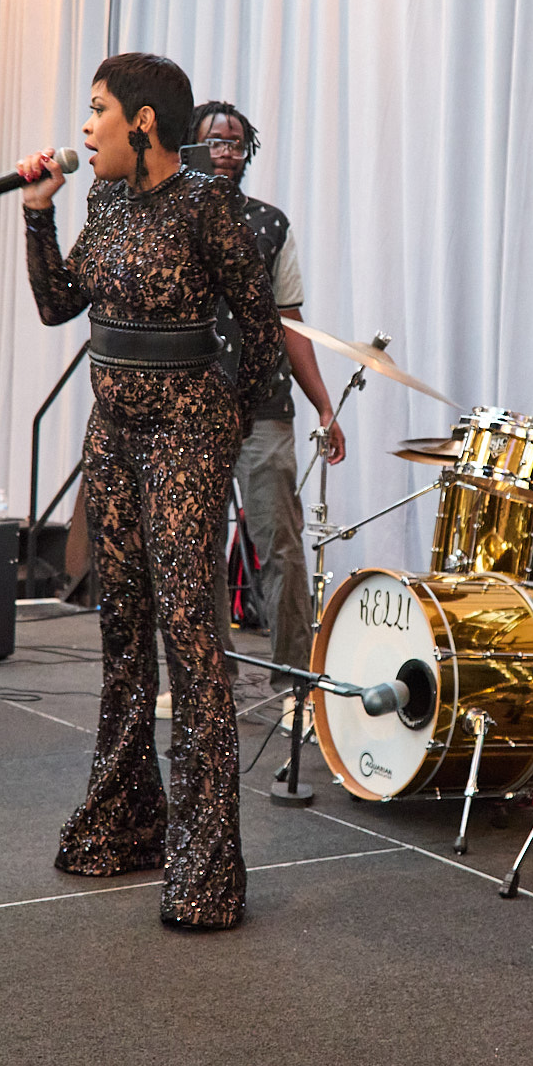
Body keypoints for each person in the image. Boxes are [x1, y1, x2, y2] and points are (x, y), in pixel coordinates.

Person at [17, 53, 281, 930]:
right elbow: (59, 304)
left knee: (188, 635)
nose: (84, 126)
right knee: (122, 624)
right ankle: (127, 818)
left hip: (186, 430)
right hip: (114, 428)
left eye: (96, 109)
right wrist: (37, 214)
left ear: (142, 121)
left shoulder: (207, 203)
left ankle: (206, 859)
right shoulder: (105, 200)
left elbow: (260, 322)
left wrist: (226, 423)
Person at [189, 99, 344, 680]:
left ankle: (294, 680)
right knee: (196, 548)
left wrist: (324, 404)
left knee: (279, 542)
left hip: (264, 407)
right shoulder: (170, 221)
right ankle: (207, 681)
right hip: (190, 411)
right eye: (214, 141)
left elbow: (290, 320)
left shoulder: (269, 224)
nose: (226, 152)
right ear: (190, 147)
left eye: (235, 142)